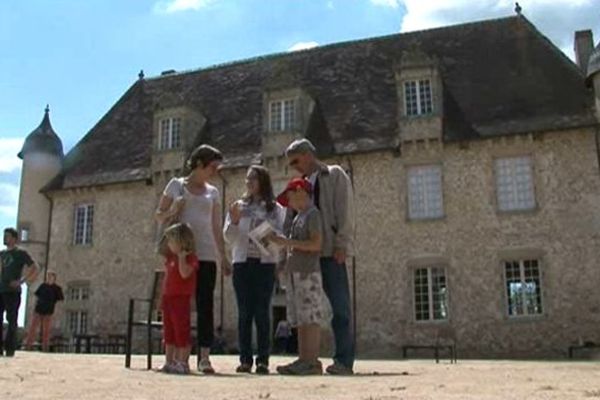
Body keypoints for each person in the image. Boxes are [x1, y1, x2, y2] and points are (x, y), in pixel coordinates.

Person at [155, 144, 231, 374]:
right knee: (179, 305)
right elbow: (159, 216)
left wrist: (223, 256)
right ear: (199, 164)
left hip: (206, 253)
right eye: (212, 167)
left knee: (205, 304)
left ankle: (204, 357)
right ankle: (178, 358)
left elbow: (216, 226)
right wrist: (173, 210)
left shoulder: (213, 192)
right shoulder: (176, 185)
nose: (215, 172)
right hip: (182, 253)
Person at [284, 139, 355, 375]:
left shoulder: (334, 175)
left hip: (329, 251)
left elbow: (344, 210)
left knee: (340, 308)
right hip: (305, 256)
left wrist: (342, 243)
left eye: (295, 160)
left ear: (308, 154)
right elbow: (291, 217)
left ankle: (343, 361)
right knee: (305, 308)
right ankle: (307, 358)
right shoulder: (300, 184)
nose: (294, 166)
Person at [223, 165, 285, 375]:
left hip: (265, 265)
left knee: (262, 312)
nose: (248, 183)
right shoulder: (237, 207)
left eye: (253, 179)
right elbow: (229, 238)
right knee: (244, 313)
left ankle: (263, 360)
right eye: (247, 179)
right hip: (242, 263)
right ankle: (245, 359)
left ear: (263, 182)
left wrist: (265, 236)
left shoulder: (275, 209)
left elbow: (279, 238)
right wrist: (234, 221)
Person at [269, 178, 327, 375]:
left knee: (310, 317)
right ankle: (304, 359)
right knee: (300, 318)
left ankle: (311, 360)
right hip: (296, 272)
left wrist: (286, 242)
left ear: (301, 192)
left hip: (308, 272)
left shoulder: (313, 215)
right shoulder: (298, 217)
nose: (290, 203)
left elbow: (316, 244)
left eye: (291, 197)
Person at [157, 223, 199, 374]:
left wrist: (182, 258)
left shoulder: (191, 258)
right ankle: (169, 361)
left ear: (181, 241)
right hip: (168, 298)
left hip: (181, 299)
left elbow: (184, 274)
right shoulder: (169, 257)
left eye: (172, 241)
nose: (169, 244)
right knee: (168, 331)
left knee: (181, 330)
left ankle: (183, 362)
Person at [0, 227, 39, 357]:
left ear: (14, 239)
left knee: (12, 320)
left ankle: (10, 348)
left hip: (13, 291)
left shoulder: (20, 253)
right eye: (4, 235)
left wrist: (21, 281)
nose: (5, 238)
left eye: (8, 236)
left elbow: (34, 267)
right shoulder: (2, 254)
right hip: (1, 289)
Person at [25, 271, 64, 352]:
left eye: (51, 277)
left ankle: (45, 348)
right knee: (33, 329)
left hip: (49, 311)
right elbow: (36, 297)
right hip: (38, 310)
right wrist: (33, 308)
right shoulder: (43, 286)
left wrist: (56, 311)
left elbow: (60, 300)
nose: (49, 278)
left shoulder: (57, 289)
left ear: (54, 278)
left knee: (46, 330)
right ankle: (28, 346)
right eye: (48, 277)